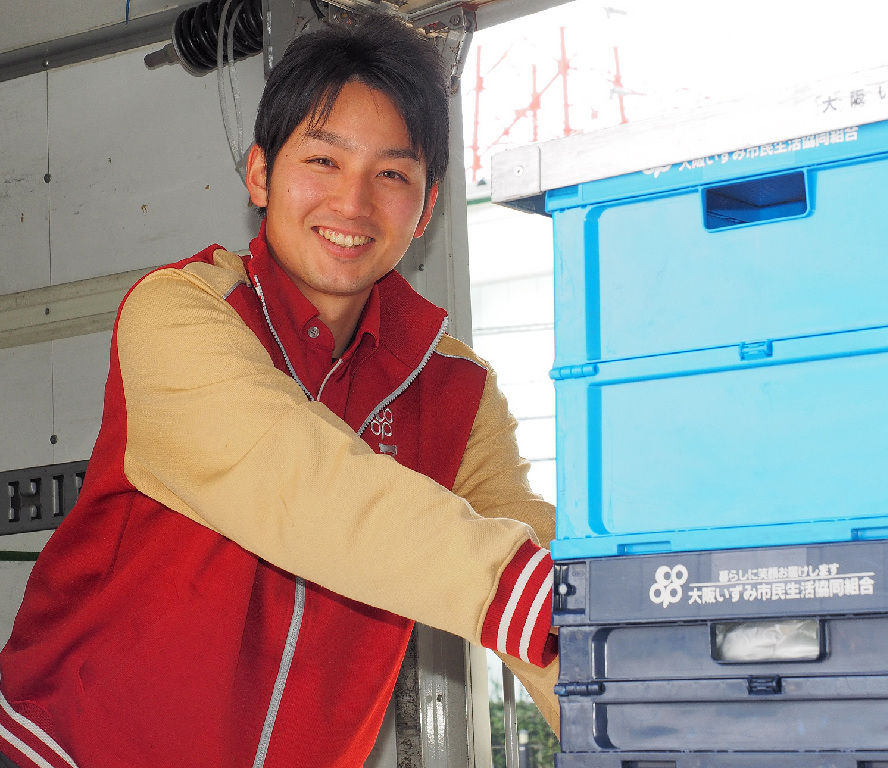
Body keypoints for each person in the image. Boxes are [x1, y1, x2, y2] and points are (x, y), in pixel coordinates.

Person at [0, 13, 558, 768]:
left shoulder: (456, 388)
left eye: (392, 174)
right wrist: (523, 595)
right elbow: (294, 479)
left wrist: (641, 702)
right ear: (260, 174)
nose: (352, 203)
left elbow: (546, 575)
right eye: (323, 160)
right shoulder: (179, 313)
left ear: (427, 208)